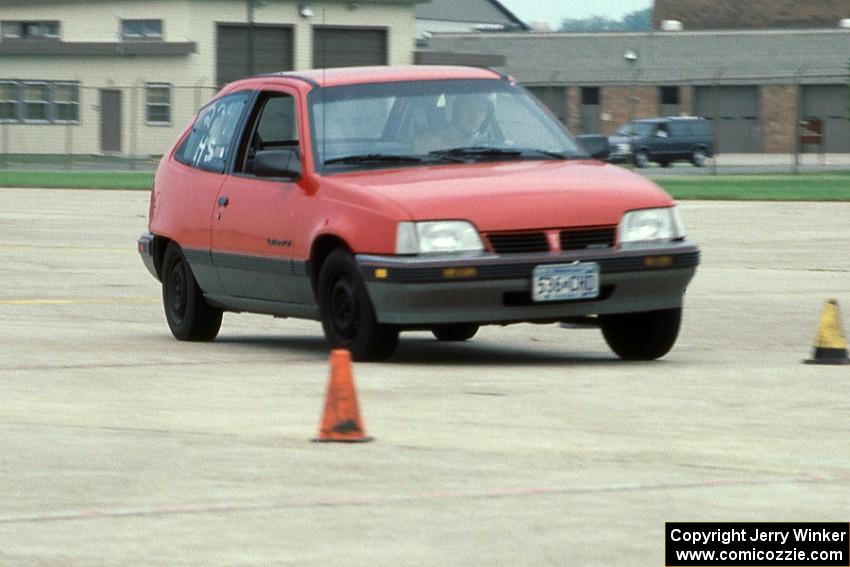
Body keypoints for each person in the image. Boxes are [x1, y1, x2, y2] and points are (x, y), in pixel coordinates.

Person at [414, 94, 494, 154]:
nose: (476, 116)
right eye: (469, 109)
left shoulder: (491, 144)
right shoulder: (428, 142)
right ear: (457, 111)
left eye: (482, 110)